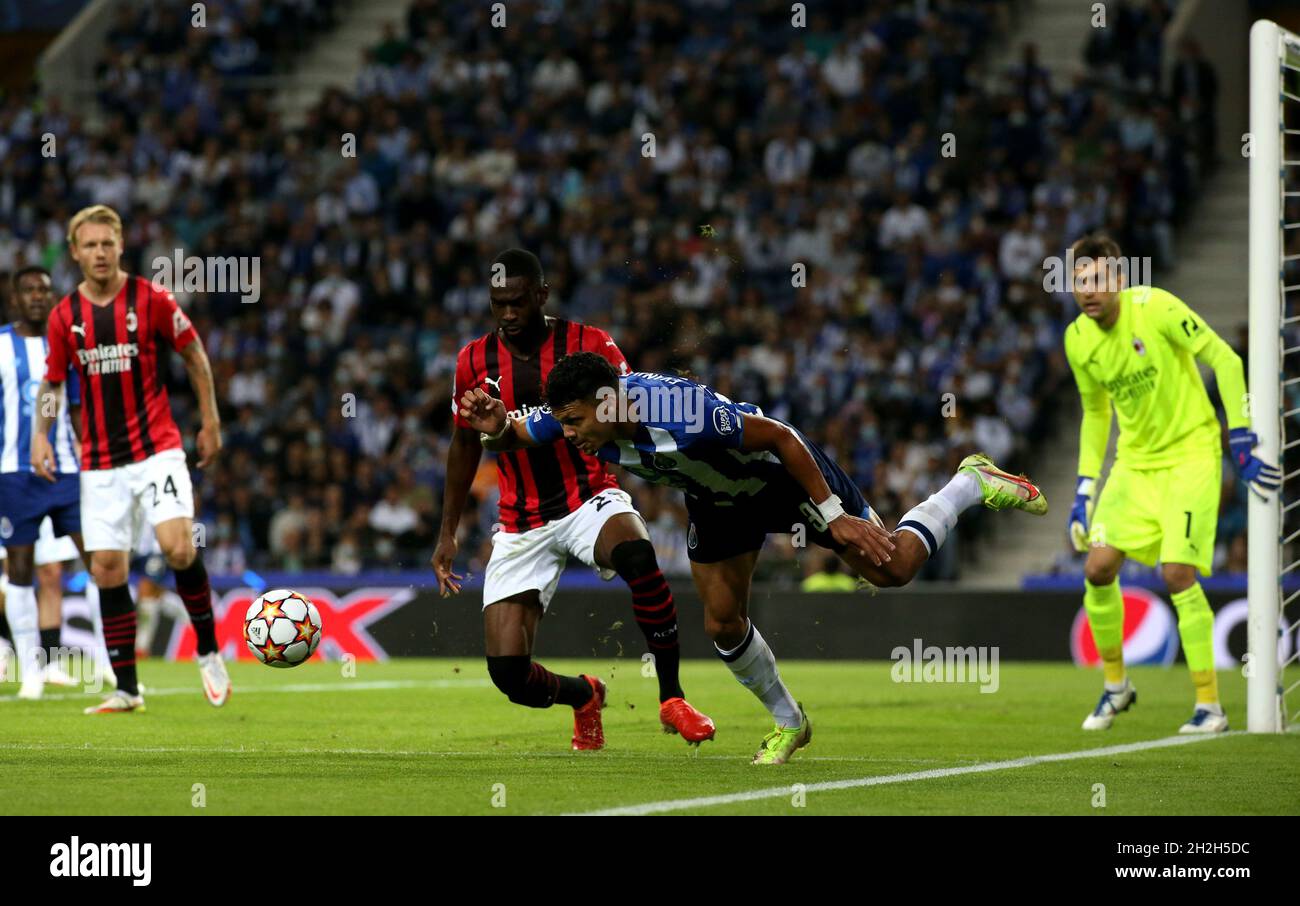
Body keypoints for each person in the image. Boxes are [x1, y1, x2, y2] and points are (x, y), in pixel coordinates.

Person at [461, 353, 1048, 763]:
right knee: (721, 621)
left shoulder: (681, 410)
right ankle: (791, 723)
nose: (571, 435)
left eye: (576, 421)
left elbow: (779, 438)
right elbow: (516, 433)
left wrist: (833, 513)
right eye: (563, 422)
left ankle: (969, 483)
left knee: (891, 569)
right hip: (718, 501)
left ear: (607, 401)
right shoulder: (580, 412)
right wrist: (493, 430)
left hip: (779, 480)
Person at [432, 249, 713, 751]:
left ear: (542, 294)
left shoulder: (589, 344)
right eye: (499, 304)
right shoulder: (472, 361)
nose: (509, 314)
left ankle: (672, 697)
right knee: (509, 675)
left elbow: (628, 410)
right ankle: (585, 694)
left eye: (518, 302)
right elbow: (463, 444)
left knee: (637, 554)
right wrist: (448, 531)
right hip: (520, 521)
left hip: (589, 496)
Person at [1063, 232, 1277, 733]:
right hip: (1134, 464)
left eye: (1097, 279)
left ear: (1118, 279)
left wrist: (1240, 435)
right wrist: (1084, 487)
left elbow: (1223, 357)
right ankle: (1116, 687)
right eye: (1078, 281)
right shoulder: (1077, 340)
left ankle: (1210, 707)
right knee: (1096, 569)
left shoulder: (1156, 308)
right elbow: (1096, 413)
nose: (1088, 290)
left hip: (1191, 453)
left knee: (1177, 572)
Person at [32, 204, 228, 714]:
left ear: (121, 246)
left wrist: (210, 420)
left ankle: (208, 650)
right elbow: (52, 384)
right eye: (89, 245)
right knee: (107, 568)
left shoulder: (152, 298)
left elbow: (193, 354)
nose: (99, 252)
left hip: (156, 449)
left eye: (107, 243)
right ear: (74, 252)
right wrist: (41, 435)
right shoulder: (63, 318)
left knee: (178, 547)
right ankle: (127, 689)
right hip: (99, 462)